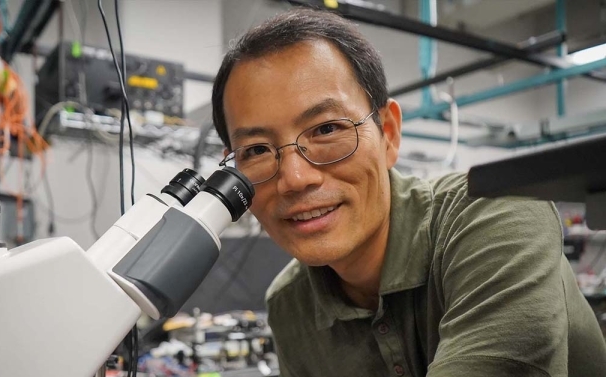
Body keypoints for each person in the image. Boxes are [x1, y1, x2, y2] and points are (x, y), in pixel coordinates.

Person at [210, 7, 606, 377]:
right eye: (257, 150)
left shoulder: (496, 213)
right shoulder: (289, 306)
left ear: (389, 134)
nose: (295, 179)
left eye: (327, 129)